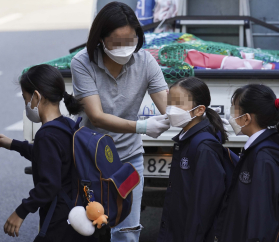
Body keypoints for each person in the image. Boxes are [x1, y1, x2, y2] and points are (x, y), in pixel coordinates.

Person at [70, 2, 169, 241]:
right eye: (117, 42)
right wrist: (142, 126)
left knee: (126, 231)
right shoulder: (82, 63)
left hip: (128, 160)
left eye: (131, 40)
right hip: (90, 160)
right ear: (101, 39)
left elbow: (168, 105)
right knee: (88, 228)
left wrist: (192, 113)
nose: (125, 48)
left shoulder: (145, 61)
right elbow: (96, 116)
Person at [1, 64, 94, 242]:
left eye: (25, 98)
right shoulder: (66, 124)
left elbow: (48, 186)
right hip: (77, 209)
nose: (26, 104)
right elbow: (49, 157)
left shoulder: (46, 135)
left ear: (36, 96)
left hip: (59, 217)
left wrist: (20, 212)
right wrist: (10, 143)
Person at [157, 77, 230, 242]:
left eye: (178, 104)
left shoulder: (204, 146)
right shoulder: (186, 139)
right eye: (170, 103)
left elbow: (205, 204)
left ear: (199, 110)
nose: (171, 110)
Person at [216, 84, 279, 242]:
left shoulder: (263, 157)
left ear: (246, 118)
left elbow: (261, 219)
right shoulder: (261, 149)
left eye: (234, 110)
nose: (231, 116)